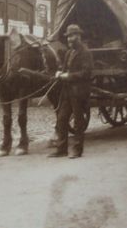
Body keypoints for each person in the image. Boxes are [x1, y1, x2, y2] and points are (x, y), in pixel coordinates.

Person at [48, 23, 93, 159]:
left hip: (79, 92)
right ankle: (61, 149)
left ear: (79, 36)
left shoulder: (86, 53)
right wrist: (59, 73)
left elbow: (86, 73)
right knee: (61, 119)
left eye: (72, 36)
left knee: (78, 122)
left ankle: (77, 150)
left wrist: (68, 76)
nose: (69, 39)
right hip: (67, 92)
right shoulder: (69, 52)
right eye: (68, 37)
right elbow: (65, 69)